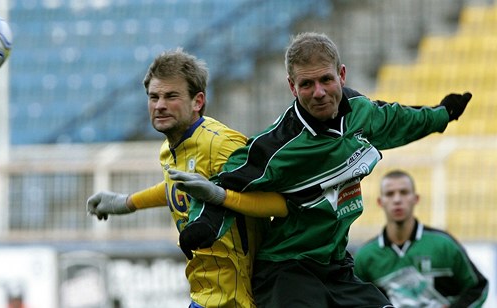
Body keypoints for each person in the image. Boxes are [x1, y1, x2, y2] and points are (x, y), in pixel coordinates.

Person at [168, 32, 473, 307]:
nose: (319, 92)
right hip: (286, 268)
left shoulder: (361, 112)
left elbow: (398, 120)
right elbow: (227, 181)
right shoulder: (278, 146)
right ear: (292, 86)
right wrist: (204, 225)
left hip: (335, 265)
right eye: (306, 84)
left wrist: (442, 115)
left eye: (326, 80)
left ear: (342, 75)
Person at [86, 48, 285, 308]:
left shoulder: (222, 144)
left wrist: (221, 196)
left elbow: (279, 202)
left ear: (197, 101)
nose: (159, 105)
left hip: (238, 298)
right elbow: (178, 189)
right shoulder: (169, 149)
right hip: (205, 294)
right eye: (153, 97)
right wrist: (127, 202)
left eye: (171, 96)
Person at [353, 170, 488, 308]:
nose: (397, 200)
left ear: (416, 198)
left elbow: (478, 287)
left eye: (404, 192)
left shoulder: (444, 244)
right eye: (390, 194)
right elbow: (354, 300)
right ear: (380, 202)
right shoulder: (365, 256)